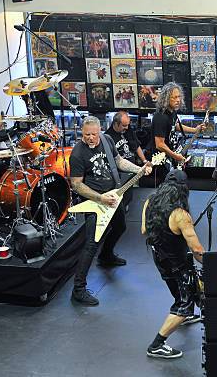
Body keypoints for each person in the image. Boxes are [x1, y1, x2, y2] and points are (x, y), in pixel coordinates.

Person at [69, 116, 152, 306]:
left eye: (94, 134)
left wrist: (139, 169)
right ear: (82, 132)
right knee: (91, 244)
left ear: (100, 131)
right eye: (87, 135)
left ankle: (106, 256)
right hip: (95, 201)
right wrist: (100, 198)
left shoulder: (107, 140)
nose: (90, 138)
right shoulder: (77, 153)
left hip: (114, 196)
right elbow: (76, 184)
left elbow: (119, 161)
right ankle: (78, 289)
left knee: (121, 226)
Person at [141, 170, 205, 359]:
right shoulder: (180, 215)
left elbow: (145, 229)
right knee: (183, 305)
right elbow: (197, 250)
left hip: (160, 259)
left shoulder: (149, 201)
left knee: (181, 291)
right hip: (178, 264)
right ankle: (157, 344)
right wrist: (213, 264)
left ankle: (186, 309)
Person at [149, 82, 205, 183]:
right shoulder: (160, 117)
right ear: (166, 98)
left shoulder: (172, 111)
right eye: (174, 97)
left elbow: (175, 126)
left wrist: (194, 130)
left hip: (172, 156)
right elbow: (159, 144)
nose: (178, 100)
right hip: (163, 161)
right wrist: (176, 156)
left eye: (179, 97)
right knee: (167, 188)